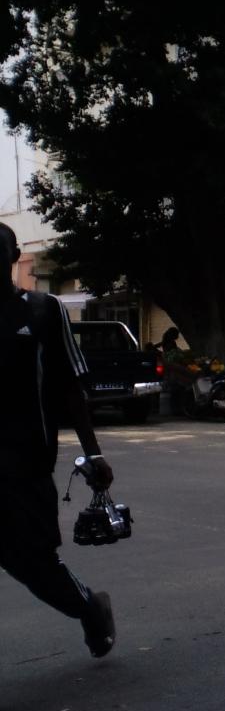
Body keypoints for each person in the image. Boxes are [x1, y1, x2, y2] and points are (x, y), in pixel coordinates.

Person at [0, 221, 116, 657]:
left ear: (15, 257)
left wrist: (94, 455)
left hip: (26, 463)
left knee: (34, 564)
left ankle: (89, 607)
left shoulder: (43, 310)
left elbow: (70, 387)